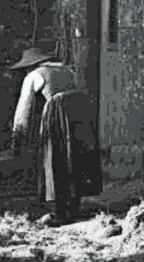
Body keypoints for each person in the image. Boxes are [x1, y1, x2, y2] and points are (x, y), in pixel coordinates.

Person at [9, 47, 102, 225]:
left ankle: (58, 211)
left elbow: (24, 108)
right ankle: (74, 206)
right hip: (79, 116)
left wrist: (18, 134)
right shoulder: (67, 70)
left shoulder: (34, 76)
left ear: (32, 65)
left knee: (54, 159)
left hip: (57, 116)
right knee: (74, 159)